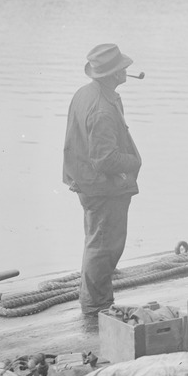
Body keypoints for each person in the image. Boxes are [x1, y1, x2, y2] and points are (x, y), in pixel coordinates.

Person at [63, 43, 142, 319]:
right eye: (122, 67)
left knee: (97, 241)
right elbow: (105, 159)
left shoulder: (88, 94)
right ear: (112, 74)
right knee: (104, 245)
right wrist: (134, 162)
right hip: (102, 188)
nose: (126, 69)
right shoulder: (102, 108)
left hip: (88, 183)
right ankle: (97, 308)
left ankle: (94, 301)